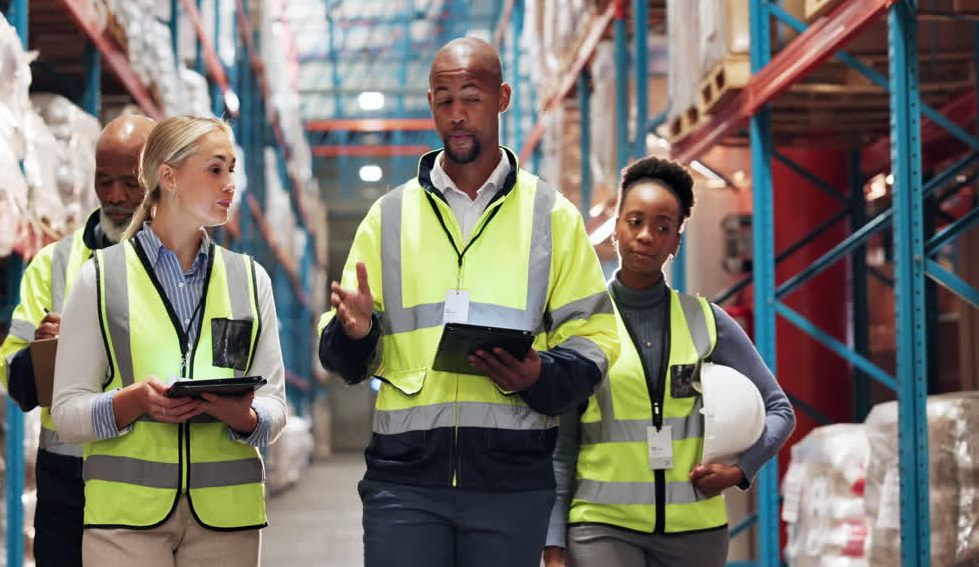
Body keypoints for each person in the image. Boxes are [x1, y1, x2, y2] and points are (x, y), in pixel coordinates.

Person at [318, 37, 621, 567]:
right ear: (430, 104)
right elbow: (341, 355)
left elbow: (595, 338)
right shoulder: (388, 218)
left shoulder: (551, 216)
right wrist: (356, 331)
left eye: (471, 98)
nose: (457, 114)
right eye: (444, 100)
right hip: (405, 482)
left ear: (502, 98)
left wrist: (540, 376)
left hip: (512, 484)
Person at [51, 116, 287, 567]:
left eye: (232, 169)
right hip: (124, 520)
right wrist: (132, 402)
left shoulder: (249, 279)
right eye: (215, 169)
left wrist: (246, 417)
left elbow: (275, 405)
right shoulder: (100, 278)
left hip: (227, 520)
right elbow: (66, 414)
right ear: (169, 177)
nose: (230, 184)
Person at [543, 156, 796, 567]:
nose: (646, 236)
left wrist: (740, 471)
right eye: (635, 222)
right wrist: (554, 546)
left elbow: (780, 410)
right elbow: (562, 445)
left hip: (695, 531)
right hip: (601, 525)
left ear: (676, 241)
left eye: (662, 227)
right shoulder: (580, 324)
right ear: (617, 228)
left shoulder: (708, 321)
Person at [0, 113, 155, 567]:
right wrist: (42, 353)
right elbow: (17, 382)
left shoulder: (185, 265)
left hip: (155, 479)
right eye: (104, 181)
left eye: (131, 183)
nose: (115, 196)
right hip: (69, 483)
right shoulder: (54, 263)